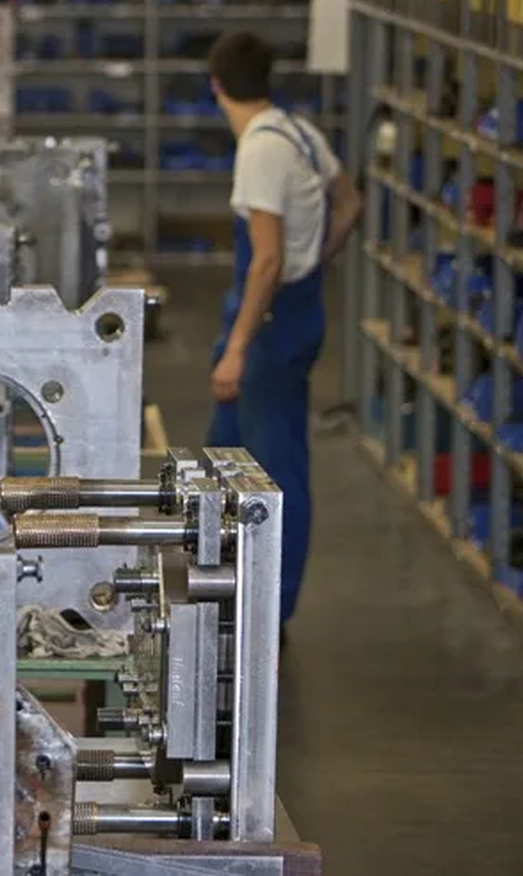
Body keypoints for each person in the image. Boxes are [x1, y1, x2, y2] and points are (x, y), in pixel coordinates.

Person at [203, 31, 362, 630]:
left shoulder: (259, 152)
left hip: (268, 323)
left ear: (215, 85)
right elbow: (349, 203)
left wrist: (237, 349)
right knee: (221, 453)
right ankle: (224, 587)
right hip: (292, 308)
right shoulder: (299, 132)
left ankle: (271, 611)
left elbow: (265, 260)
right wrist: (314, 261)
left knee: (272, 471)